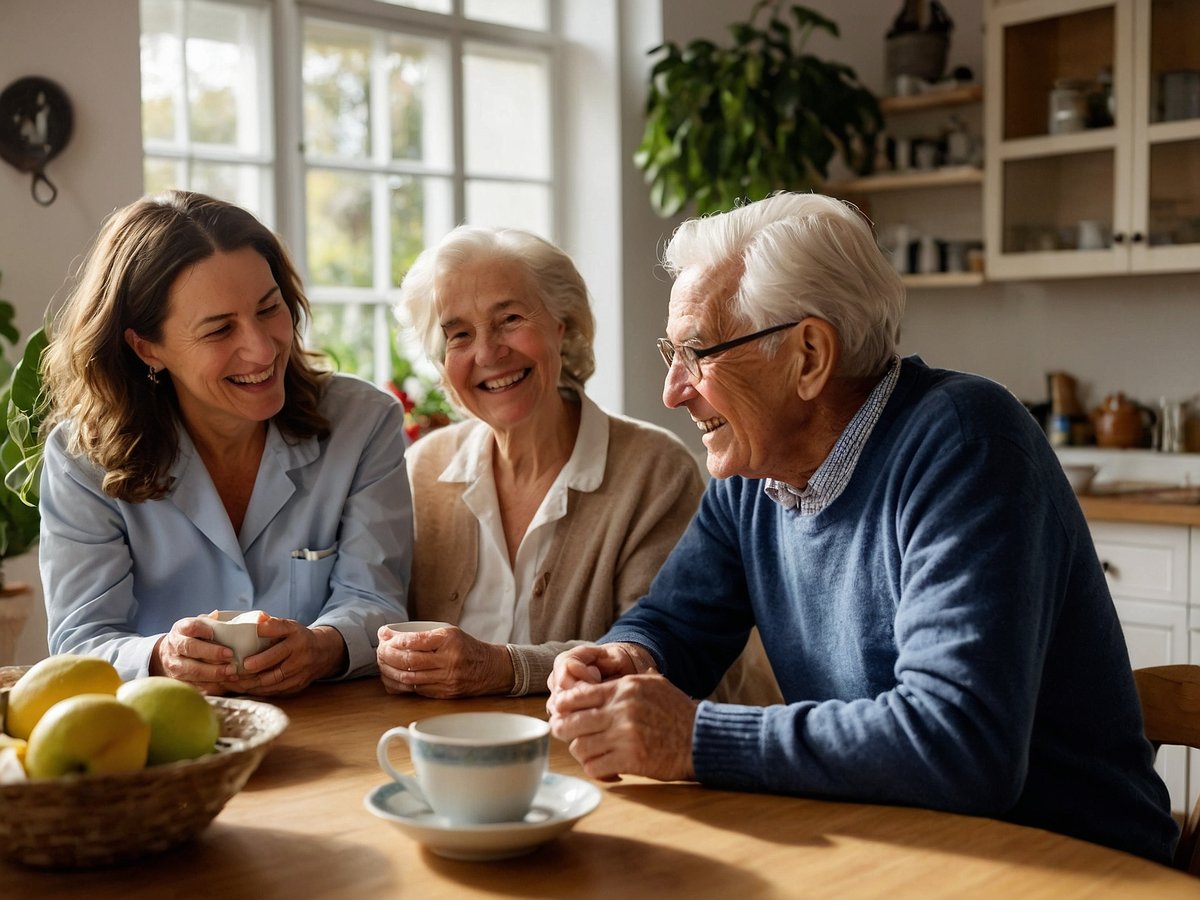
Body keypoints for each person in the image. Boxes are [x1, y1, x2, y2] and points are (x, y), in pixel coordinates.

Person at [546, 192, 1178, 865]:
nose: (674, 389)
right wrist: (627, 658)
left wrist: (695, 738)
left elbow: (958, 746)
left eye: (699, 352)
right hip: (903, 846)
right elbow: (676, 624)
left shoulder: (966, 441)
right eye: (672, 352)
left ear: (810, 355)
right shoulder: (758, 474)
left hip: (1074, 868)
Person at [378, 224, 780, 702]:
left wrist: (502, 668)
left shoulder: (654, 470)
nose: (488, 352)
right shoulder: (422, 469)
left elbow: (665, 660)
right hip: (449, 752)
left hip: (601, 761)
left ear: (561, 323)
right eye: (459, 335)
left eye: (509, 319)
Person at [39, 190, 412, 696]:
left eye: (269, 308)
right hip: (166, 742)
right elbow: (80, 640)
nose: (261, 349)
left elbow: (377, 600)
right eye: (219, 330)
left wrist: (323, 645)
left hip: (335, 730)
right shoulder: (80, 461)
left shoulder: (364, 422)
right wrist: (160, 658)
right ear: (147, 347)